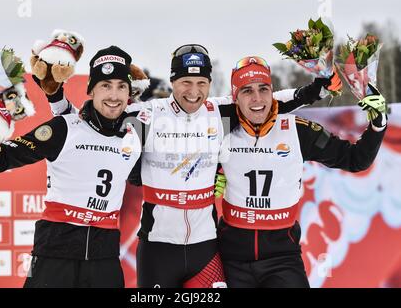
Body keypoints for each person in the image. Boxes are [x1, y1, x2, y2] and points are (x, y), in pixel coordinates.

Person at [44, 44, 333, 288]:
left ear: (209, 84)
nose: (194, 92)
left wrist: (317, 89)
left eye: (201, 83)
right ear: (172, 82)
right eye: (185, 82)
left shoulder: (219, 113)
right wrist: (56, 98)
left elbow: (268, 103)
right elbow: (91, 119)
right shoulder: (147, 115)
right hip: (158, 248)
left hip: (204, 248)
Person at [0, 46, 143, 288]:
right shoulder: (64, 128)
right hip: (55, 254)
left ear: (130, 92)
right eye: (105, 85)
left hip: (104, 259)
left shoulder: (137, 132)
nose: (114, 95)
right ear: (91, 89)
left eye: (121, 86)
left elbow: (143, 176)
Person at [215, 56, 387, 288]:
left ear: (272, 92)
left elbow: (355, 160)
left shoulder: (297, 131)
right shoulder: (220, 128)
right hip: (231, 259)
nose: (257, 98)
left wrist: (378, 125)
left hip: (282, 259)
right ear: (235, 97)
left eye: (263, 89)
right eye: (247, 91)